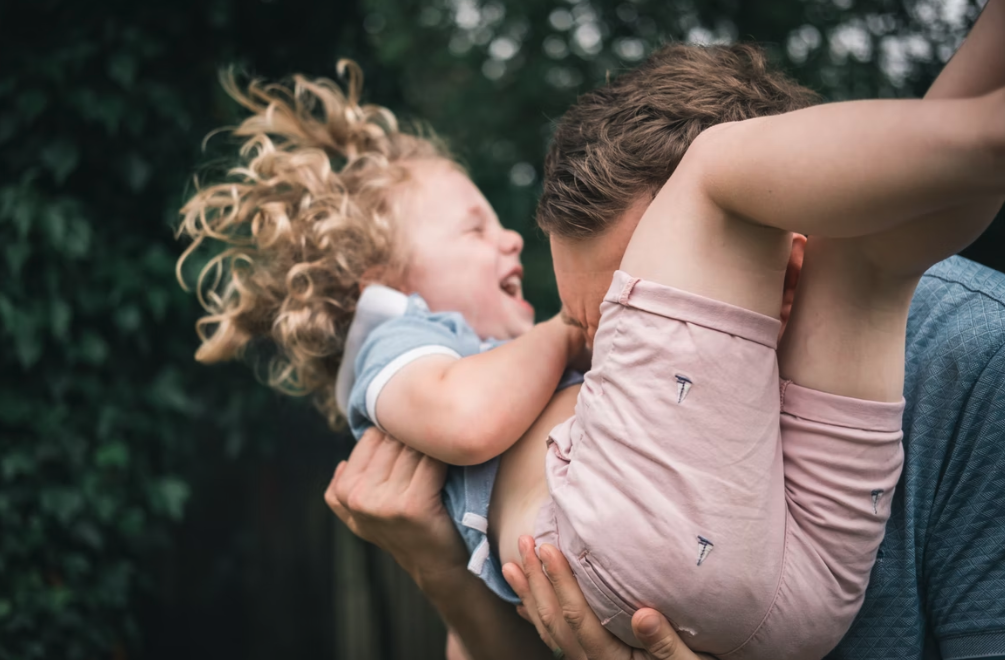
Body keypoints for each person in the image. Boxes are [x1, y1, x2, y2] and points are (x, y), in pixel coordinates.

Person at [328, 3, 1005, 659]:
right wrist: (441, 569)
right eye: (599, 333)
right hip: (781, 593)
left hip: (802, 598)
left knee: (869, 237)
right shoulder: (444, 358)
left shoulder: (971, 357)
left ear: (787, 266)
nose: (609, 367)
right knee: (767, 191)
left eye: (636, 310)